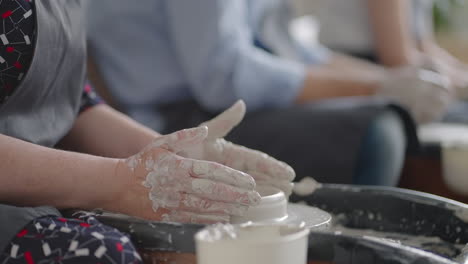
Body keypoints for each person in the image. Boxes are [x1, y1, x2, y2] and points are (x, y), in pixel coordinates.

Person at [0, 1, 294, 262]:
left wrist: (176, 156)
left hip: (46, 185)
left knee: (179, 240)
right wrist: (119, 182)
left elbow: (73, 103)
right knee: (103, 253)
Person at [86, 0, 451, 187]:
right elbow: (223, 77)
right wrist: (377, 87)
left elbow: (293, 50)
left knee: (401, 112)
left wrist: (394, 78)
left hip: (214, 98)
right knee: (378, 129)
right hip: (171, 118)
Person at [307, 0, 468, 122]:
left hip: (400, 69)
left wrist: (462, 74)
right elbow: (397, 58)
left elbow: (423, 46)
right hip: (356, 68)